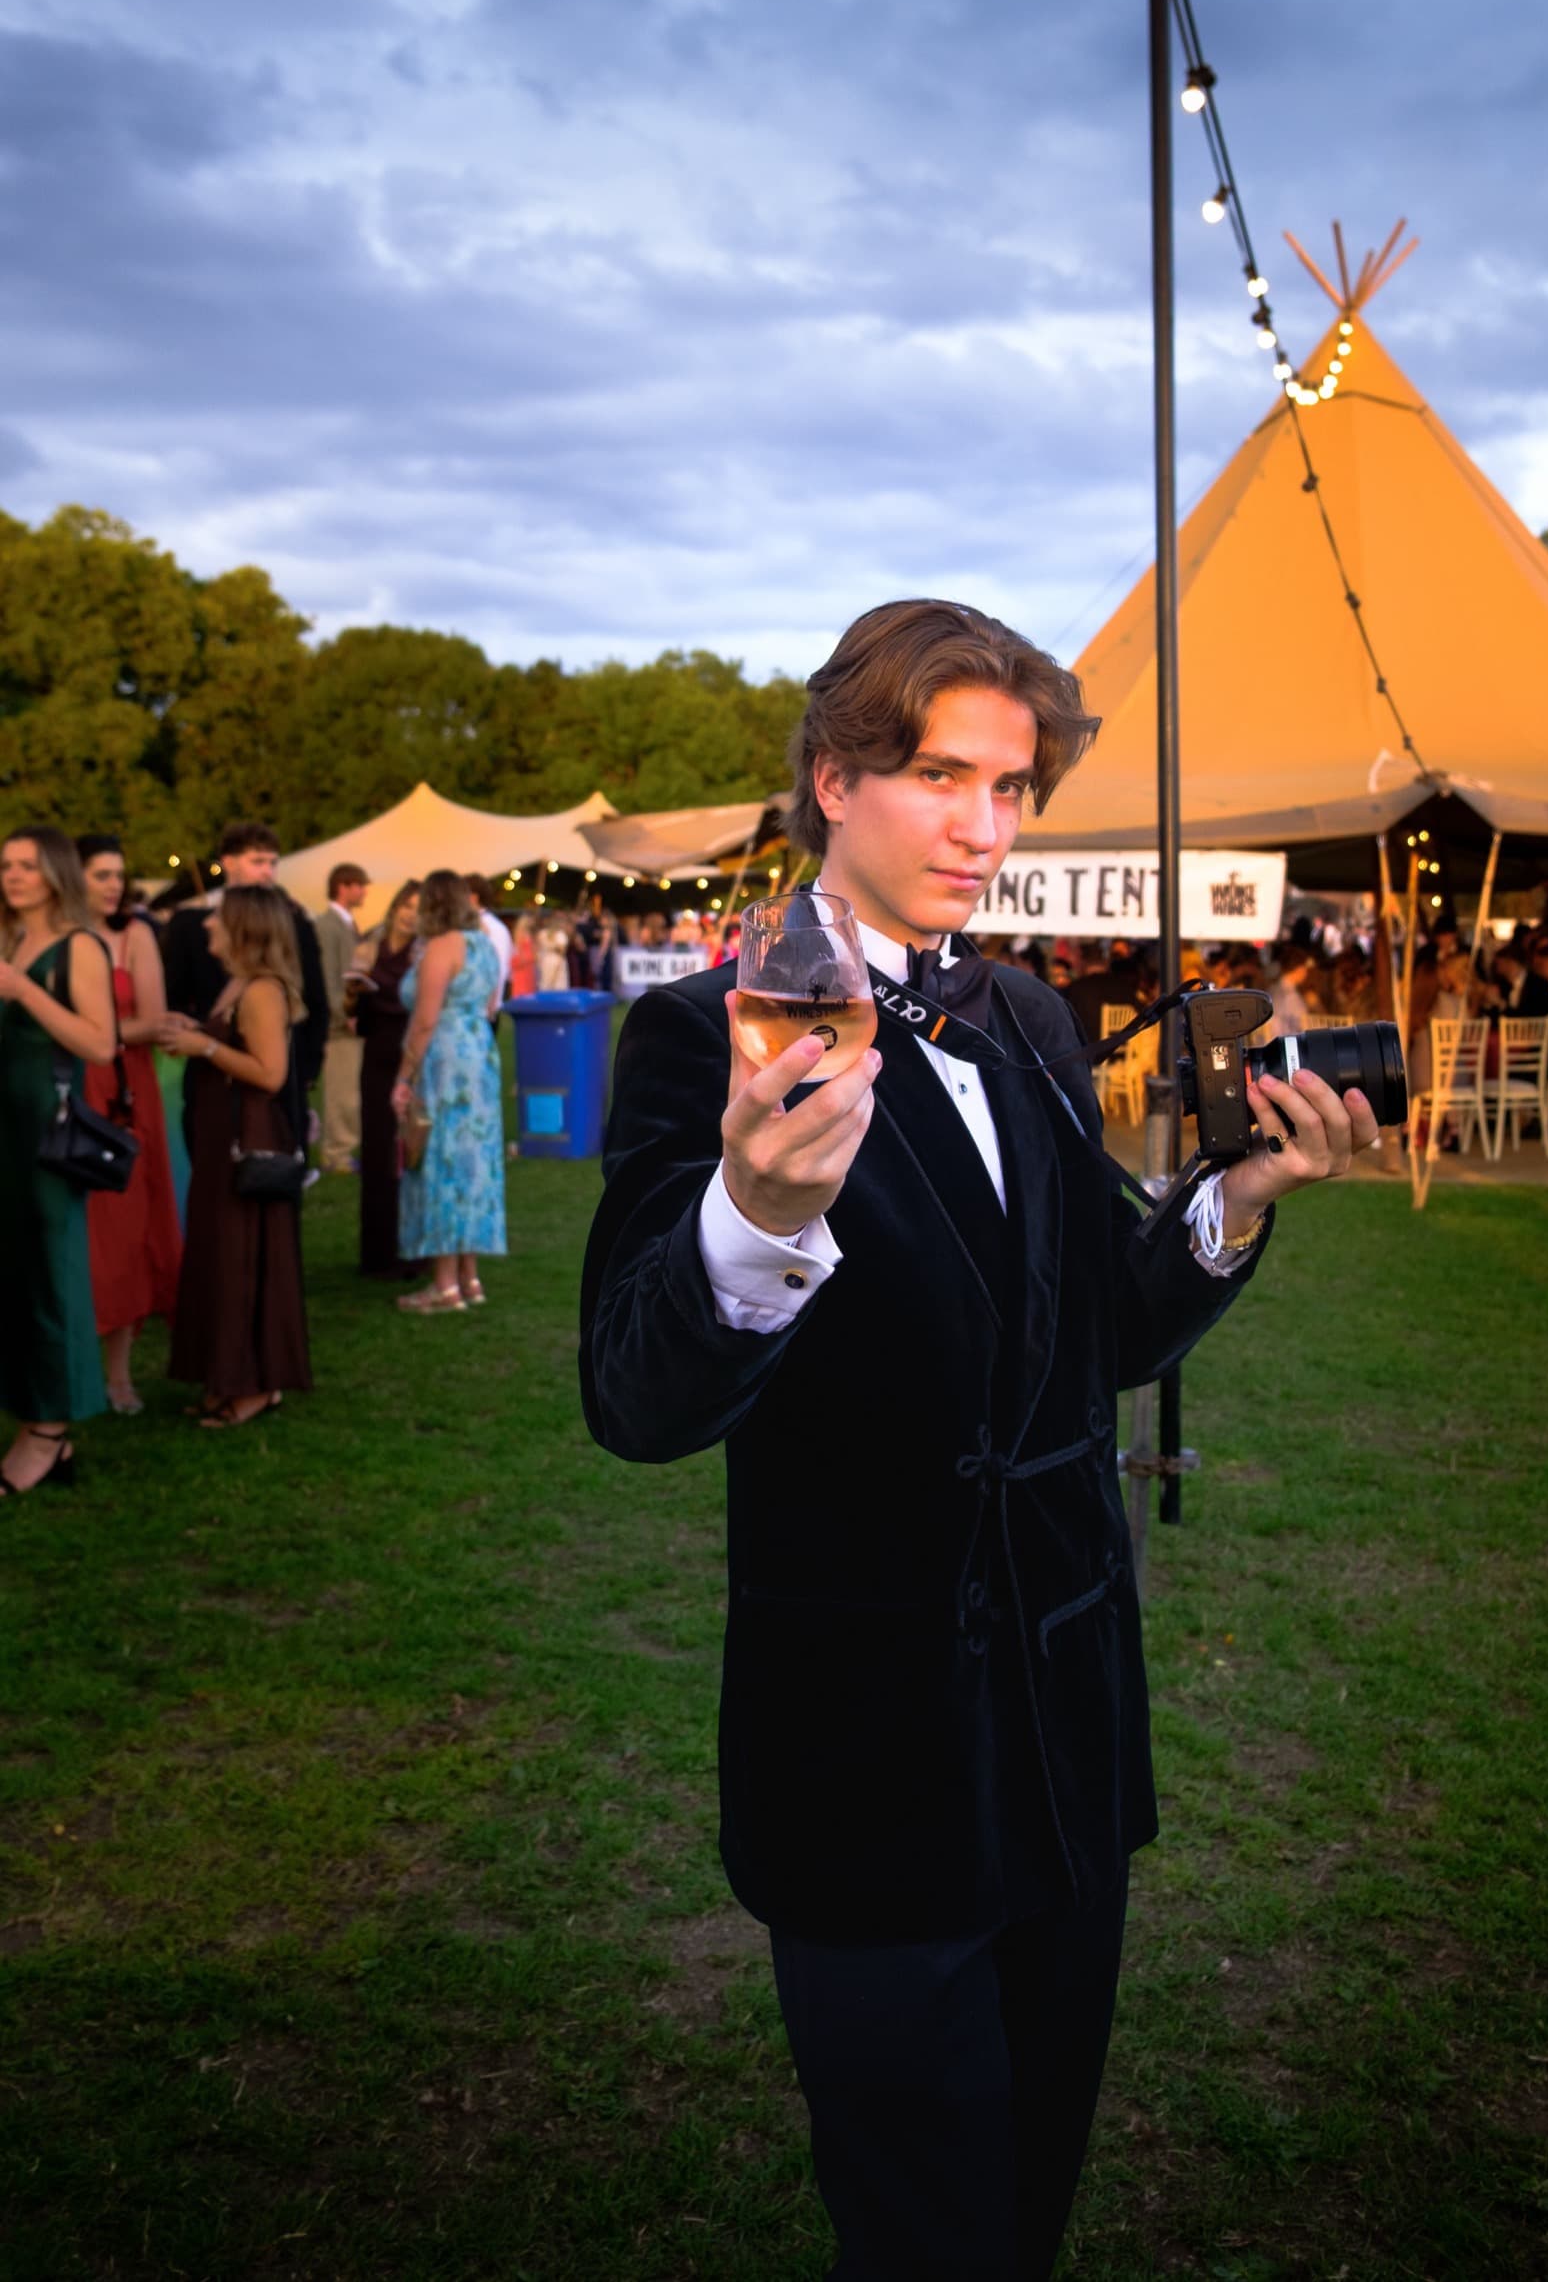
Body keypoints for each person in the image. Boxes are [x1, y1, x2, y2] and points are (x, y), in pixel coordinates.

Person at [580, 598, 1377, 2282]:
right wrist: (750, 1217)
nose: (984, 827)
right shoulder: (701, 1037)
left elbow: (1092, 1329)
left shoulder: (1018, 1016)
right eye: (941, 774)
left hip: (1070, 1727)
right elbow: (637, 1399)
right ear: (833, 778)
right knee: (923, 2224)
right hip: (869, 1748)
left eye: (1012, 787)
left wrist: (1233, 1195)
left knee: (1029, 2191)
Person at [160, 887, 312, 1427]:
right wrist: (196, 1032)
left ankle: (253, 1384)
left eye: (218, 920)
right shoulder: (239, 983)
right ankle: (226, 1376)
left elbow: (268, 1074)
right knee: (220, 1258)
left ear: (245, 927)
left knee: (242, 1258)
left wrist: (204, 1046)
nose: (207, 928)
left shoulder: (263, 991)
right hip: (219, 1139)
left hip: (246, 1141)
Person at [0, 825, 118, 1493]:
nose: (13, 876)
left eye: (27, 866)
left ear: (56, 875)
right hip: (2, 1121)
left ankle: (51, 1429)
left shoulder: (79, 946)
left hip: (46, 1122)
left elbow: (101, 1045)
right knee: (14, 1269)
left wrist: (24, 992)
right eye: (6, 864)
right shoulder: (9, 937)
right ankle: (30, 1411)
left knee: (51, 1269)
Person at [76, 834, 184, 1413]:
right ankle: (69, 1364)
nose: (115, 885)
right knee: (72, 1231)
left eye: (119, 874)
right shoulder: (49, 935)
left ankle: (118, 1374)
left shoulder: (133, 934)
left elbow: (154, 1018)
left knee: (122, 1229)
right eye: (101, 875)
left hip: (120, 1088)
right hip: (60, 1084)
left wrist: (89, 1033)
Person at [162, 822, 328, 1153]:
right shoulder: (193, 925)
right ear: (229, 862)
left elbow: (315, 1000)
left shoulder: (295, 925)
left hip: (276, 1075)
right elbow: (175, 995)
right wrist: (195, 1030)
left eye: (272, 862)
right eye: (258, 861)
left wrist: (307, 1070)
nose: (267, 872)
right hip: (212, 1080)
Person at [393, 870, 505, 1313]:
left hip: (444, 1060)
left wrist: (403, 1078)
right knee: (475, 1164)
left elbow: (424, 1021)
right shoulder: (484, 945)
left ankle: (444, 1286)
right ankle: (469, 1278)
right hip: (479, 1053)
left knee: (441, 1162)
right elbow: (492, 1004)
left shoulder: (443, 947)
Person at [354, 878, 421, 1280]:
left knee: (409, 1156)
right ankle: (376, 1251)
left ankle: (410, 1250)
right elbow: (355, 1015)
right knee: (377, 1154)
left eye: (419, 907)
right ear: (395, 906)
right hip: (375, 1053)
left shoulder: (423, 952)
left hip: (409, 1057)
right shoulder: (369, 945)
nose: (411, 914)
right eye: (407, 905)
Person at [314, 862, 370, 1173]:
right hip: (340, 1026)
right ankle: (336, 1152)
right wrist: (342, 1014)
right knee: (341, 1092)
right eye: (359, 885)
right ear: (343, 886)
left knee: (352, 1091)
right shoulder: (328, 924)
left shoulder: (347, 923)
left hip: (351, 1021)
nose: (363, 892)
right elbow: (328, 977)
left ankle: (343, 1149)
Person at [466, 876, 515, 1015]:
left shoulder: (494, 928)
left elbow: (499, 968)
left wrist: (490, 1007)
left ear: (473, 898)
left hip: (484, 1010)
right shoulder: (475, 925)